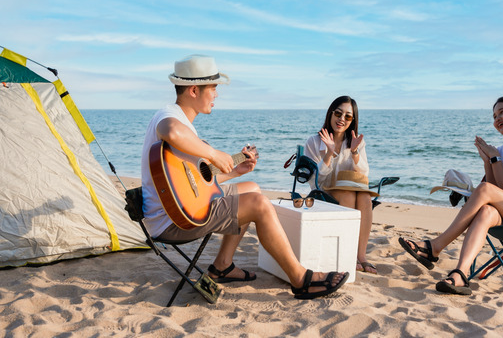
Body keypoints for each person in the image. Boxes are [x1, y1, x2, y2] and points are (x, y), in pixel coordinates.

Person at [141, 55, 348, 299]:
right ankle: (301, 278)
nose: (217, 94)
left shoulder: (184, 123)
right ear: (194, 90)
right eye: (214, 88)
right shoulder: (171, 117)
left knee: (252, 188)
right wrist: (213, 153)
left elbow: (194, 186)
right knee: (259, 205)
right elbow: (171, 132)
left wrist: (235, 170)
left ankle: (222, 265)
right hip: (174, 220)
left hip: (179, 207)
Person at [398, 95, 503, 295]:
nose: (497, 119)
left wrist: (494, 158)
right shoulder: (502, 150)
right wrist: (488, 161)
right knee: (486, 211)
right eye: (494, 115)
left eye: (502, 112)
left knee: (485, 193)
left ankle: (435, 247)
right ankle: (460, 275)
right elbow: (491, 187)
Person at [303, 96, 378, 275]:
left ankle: (361, 255)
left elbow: (363, 175)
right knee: (348, 194)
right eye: (338, 113)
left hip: (351, 190)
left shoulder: (355, 142)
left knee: (365, 196)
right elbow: (316, 182)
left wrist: (354, 152)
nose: (342, 119)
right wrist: (329, 154)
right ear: (331, 114)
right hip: (324, 193)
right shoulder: (314, 142)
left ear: (352, 120)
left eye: (348, 116)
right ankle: (348, 254)